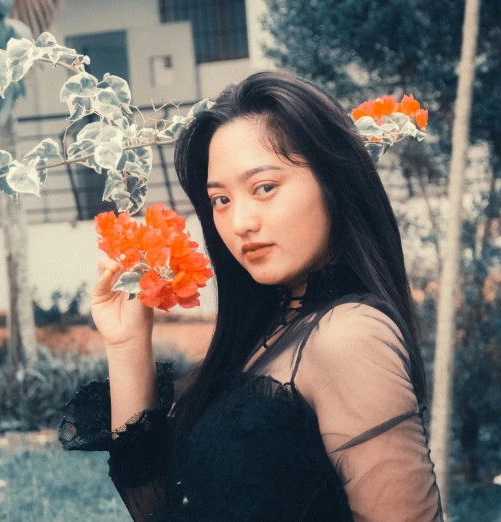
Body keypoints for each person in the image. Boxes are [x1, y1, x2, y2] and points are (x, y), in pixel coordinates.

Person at [58, 70, 444, 521]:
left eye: (264, 188)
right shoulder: (271, 329)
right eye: (220, 200)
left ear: (333, 183)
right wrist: (126, 346)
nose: (239, 222)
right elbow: (159, 510)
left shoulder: (349, 336)